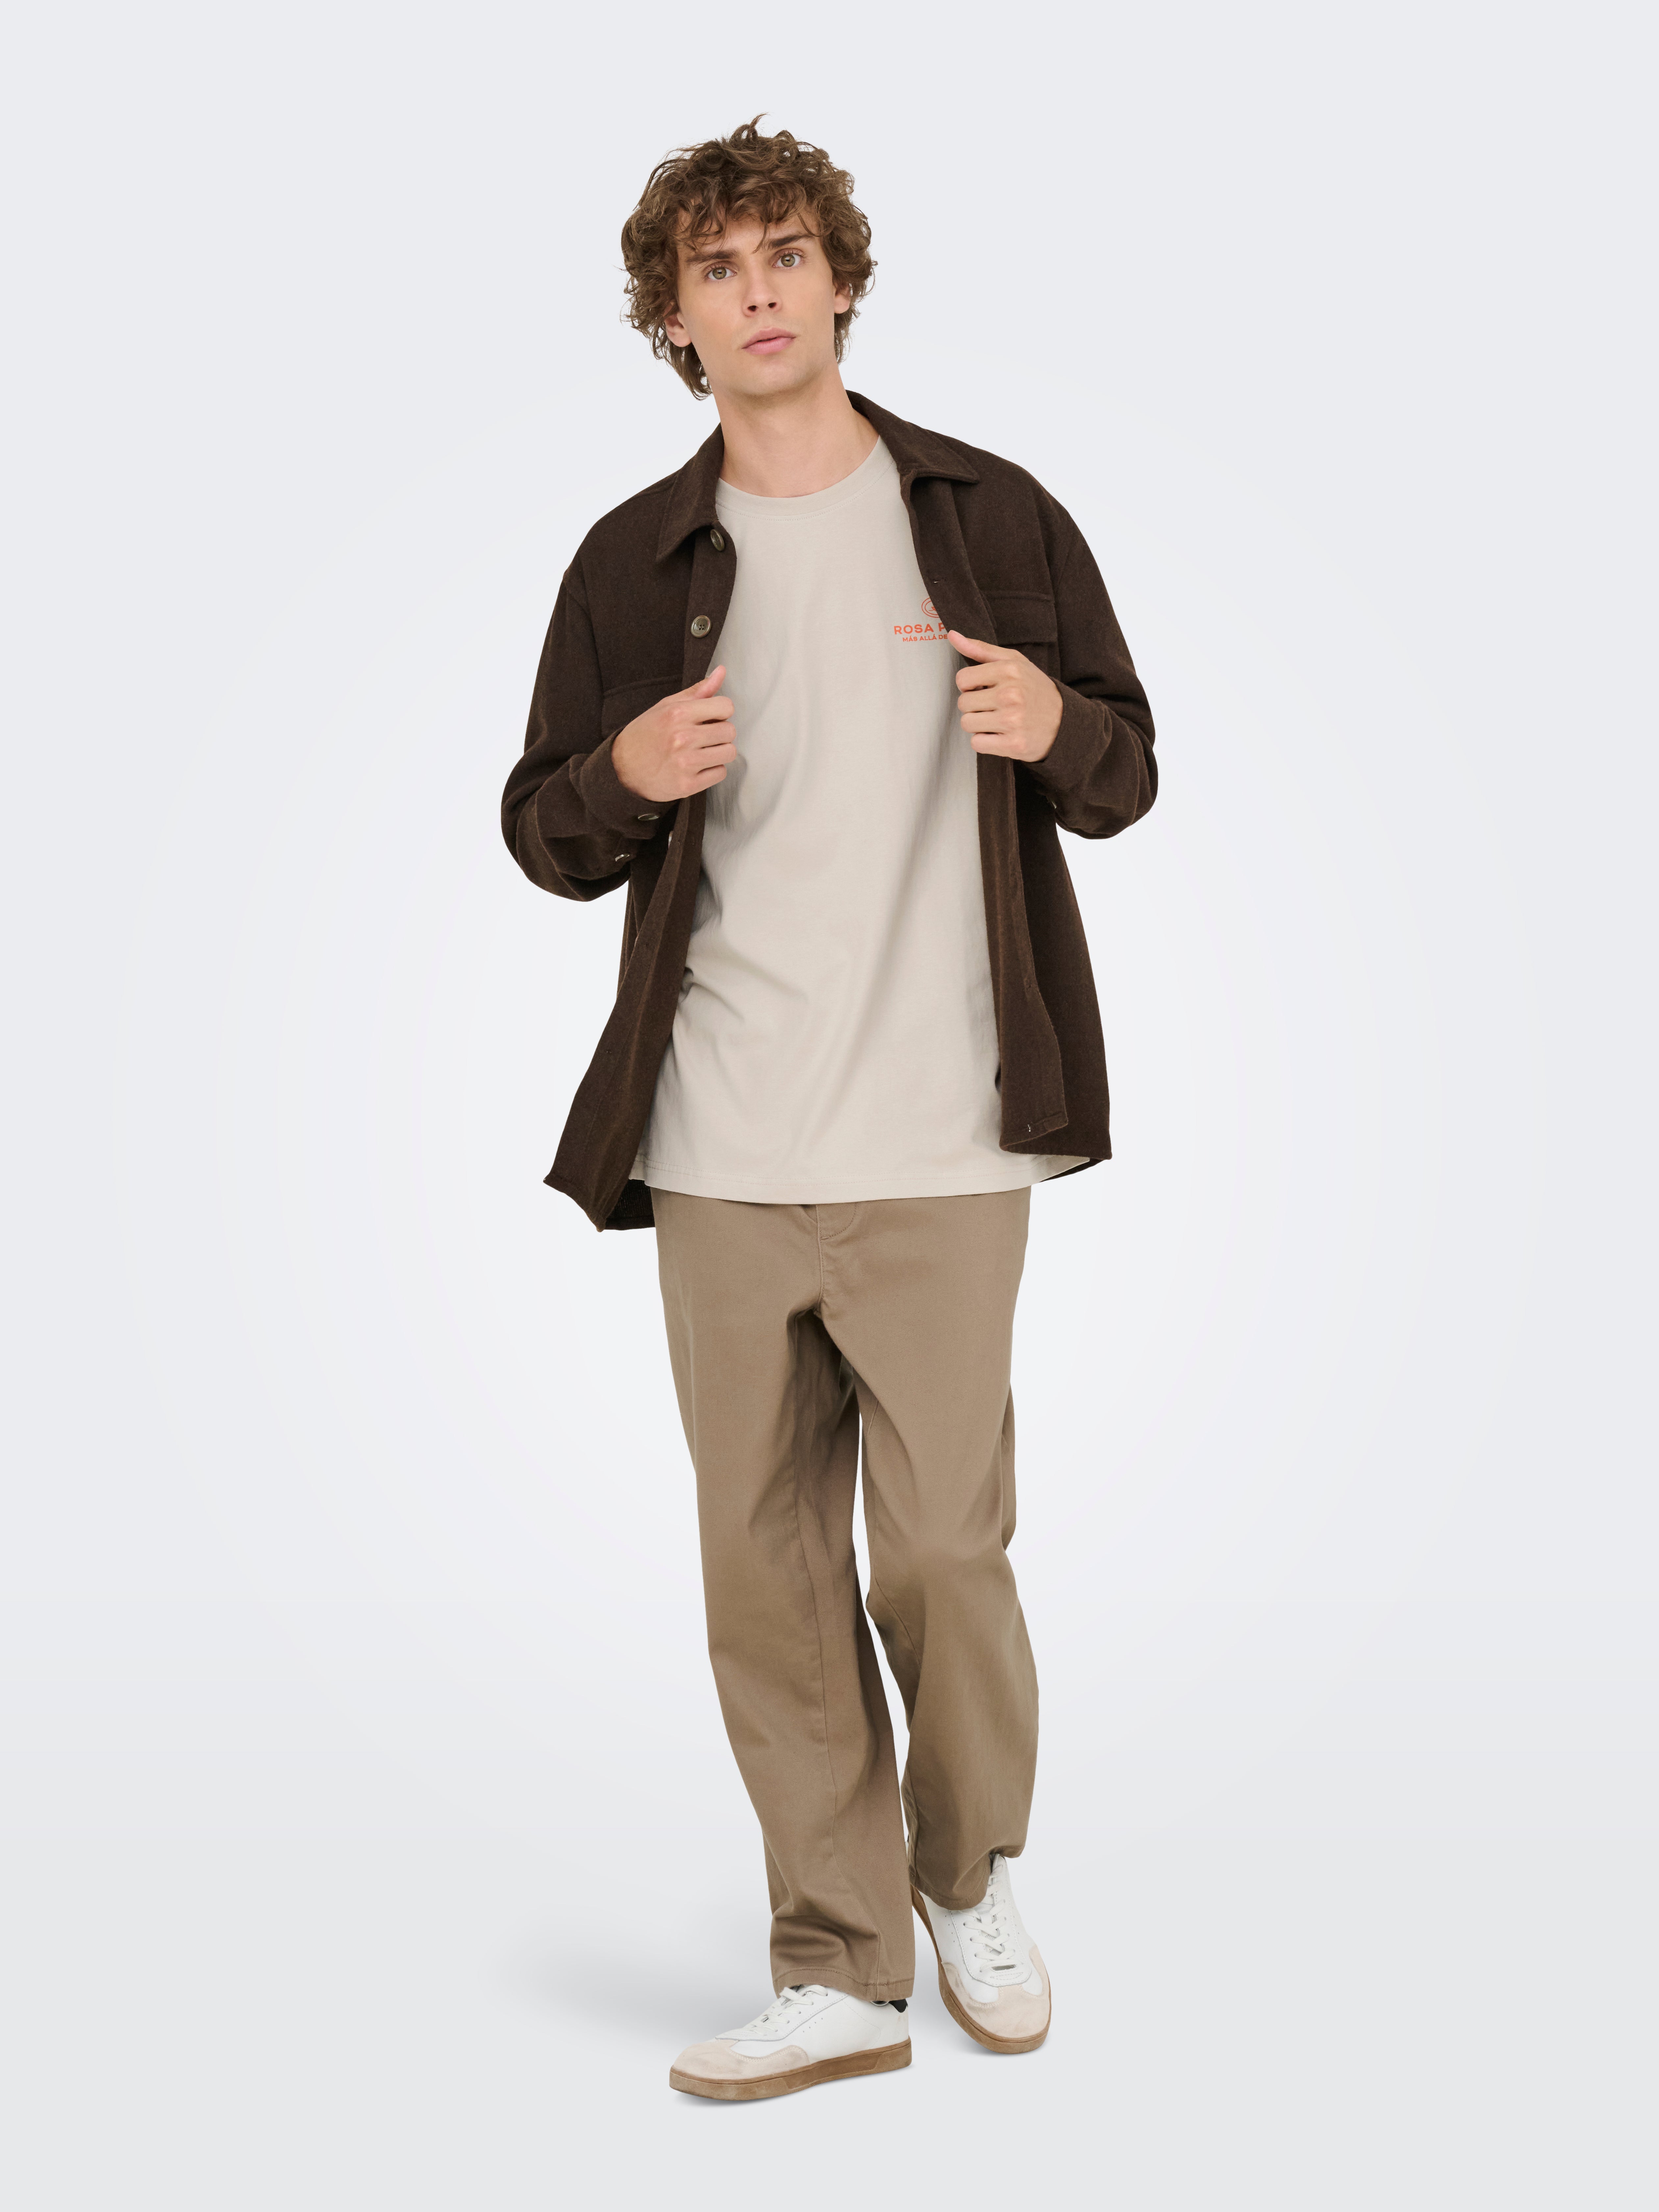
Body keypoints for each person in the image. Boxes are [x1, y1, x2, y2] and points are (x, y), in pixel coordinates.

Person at [501, 117, 1157, 2102]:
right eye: (716, 269)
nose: (758, 291)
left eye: (785, 253)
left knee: (944, 1549)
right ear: (675, 320)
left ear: (842, 281)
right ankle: (838, 1964)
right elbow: (544, 833)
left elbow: (1125, 771)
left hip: (946, 1127)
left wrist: (1054, 724)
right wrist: (622, 770)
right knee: (767, 1572)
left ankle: (967, 1875)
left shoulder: (988, 514)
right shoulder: (633, 561)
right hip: (719, 1141)